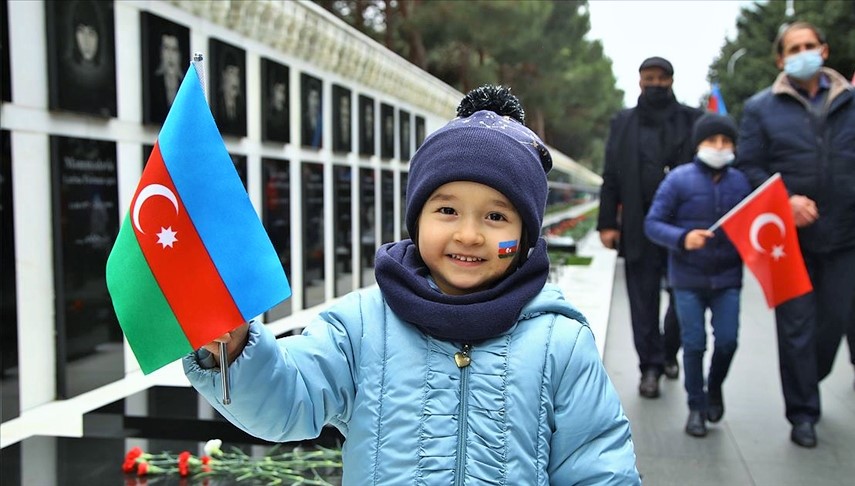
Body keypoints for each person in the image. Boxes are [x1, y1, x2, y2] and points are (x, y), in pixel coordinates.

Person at [184, 86, 641, 484]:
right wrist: (233, 345)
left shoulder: (559, 340)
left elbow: (598, 465)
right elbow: (287, 400)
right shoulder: (361, 325)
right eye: (447, 211)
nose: (469, 234)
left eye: (496, 216)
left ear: (524, 236)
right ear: (415, 219)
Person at [735, 21, 855, 448]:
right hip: (787, 243)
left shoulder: (851, 102)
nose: (803, 52)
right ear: (781, 59)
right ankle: (803, 413)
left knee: (833, 324)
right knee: (795, 328)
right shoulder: (760, 108)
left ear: (823, 50)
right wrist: (784, 200)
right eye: (793, 47)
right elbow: (748, 166)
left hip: (845, 237)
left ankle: (812, 375)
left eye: (810, 45)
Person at [598, 56, 703, 398]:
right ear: (639, 81)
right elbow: (610, 175)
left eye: (660, 78)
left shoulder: (693, 119)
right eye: (648, 78)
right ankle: (651, 367)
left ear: (671, 81)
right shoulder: (623, 122)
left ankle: (669, 349)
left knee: (681, 297)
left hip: (681, 230)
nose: (654, 84)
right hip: (637, 227)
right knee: (642, 302)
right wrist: (606, 224)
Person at [645, 113, 751, 437]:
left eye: (725, 142)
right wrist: (682, 238)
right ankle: (696, 406)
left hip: (728, 278)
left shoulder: (741, 182)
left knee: (728, 341)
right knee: (693, 344)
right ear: (699, 144)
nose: (719, 147)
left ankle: (714, 386)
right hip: (687, 279)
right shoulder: (678, 179)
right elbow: (653, 223)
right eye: (712, 141)